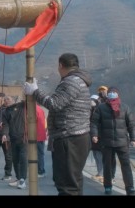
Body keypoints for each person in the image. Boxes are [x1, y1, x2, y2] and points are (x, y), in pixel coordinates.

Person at [24, 53, 92, 196]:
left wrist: (35, 91)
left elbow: (54, 103)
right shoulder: (79, 81)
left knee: (66, 184)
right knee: (74, 183)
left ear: (60, 65)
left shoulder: (71, 82)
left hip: (69, 137)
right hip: (77, 136)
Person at [90, 86, 135, 196]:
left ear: (118, 95)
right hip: (106, 143)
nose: (112, 95)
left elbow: (131, 125)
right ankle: (107, 187)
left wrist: (133, 138)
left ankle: (130, 188)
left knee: (126, 165)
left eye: (114, 93)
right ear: (107, 95)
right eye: (110, 93)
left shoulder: (125, 108)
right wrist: (94, 135)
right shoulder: (101, 108)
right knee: (107, 166)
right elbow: (94, 123)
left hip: (122, 143)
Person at [2, 97, 28, 190]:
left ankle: (23, 180)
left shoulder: (21, 106)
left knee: (23, 158)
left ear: (13, 100)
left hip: (24, 137)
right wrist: (4, 134)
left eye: (8, 99)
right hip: (13, 138)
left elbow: (29, 100)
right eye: (5, 100)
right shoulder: (5, 112)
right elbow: (5, 124)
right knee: (15, 159)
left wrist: (26, 95)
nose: (6, 101)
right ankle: (18, 178)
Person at [88, 94, 105, 183]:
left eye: (93, 100)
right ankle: (100, 172)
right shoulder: (90, 110)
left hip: (99, 136)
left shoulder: (100, 110)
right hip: (93, 135)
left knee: (99, 155)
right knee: (95, 154)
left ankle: (102, 173)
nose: (91, 102)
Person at [35, 104, 47, 178]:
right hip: (41, 134)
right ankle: (41, 170)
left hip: (36, 135)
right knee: (40, 154)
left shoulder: (33, 109)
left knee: (39, 154)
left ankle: (40, 170)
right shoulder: (40, 109)